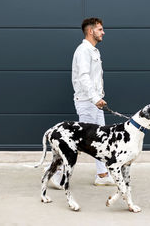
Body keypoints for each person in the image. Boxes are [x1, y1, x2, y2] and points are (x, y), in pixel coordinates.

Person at [48, 17, 115, 188]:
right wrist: (95, 98)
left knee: (101, 139)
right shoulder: (83, 50)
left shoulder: (93, 51)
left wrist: (98, 99)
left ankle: (102, 175)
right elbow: (83, 77)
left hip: (95, 103)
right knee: (78, 142)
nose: (103, 32)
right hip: (87, 103)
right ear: (91, 31)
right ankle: (55, 174)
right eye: (100, 29)